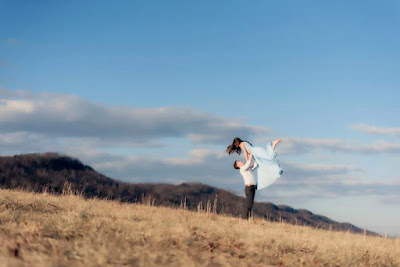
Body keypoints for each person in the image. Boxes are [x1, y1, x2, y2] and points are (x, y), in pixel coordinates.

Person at [234, 148, 257, 219]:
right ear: (238, 165)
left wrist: (257, 159)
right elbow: (249, 161)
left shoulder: (247, 168)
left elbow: (253, 166)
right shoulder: (242, 169)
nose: (241, 161)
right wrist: (250, 153)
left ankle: (248, 217)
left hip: (252, 187)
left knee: (251, 204)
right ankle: (246, 218)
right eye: (239, 162)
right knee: (249, 204)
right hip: (249, 188)